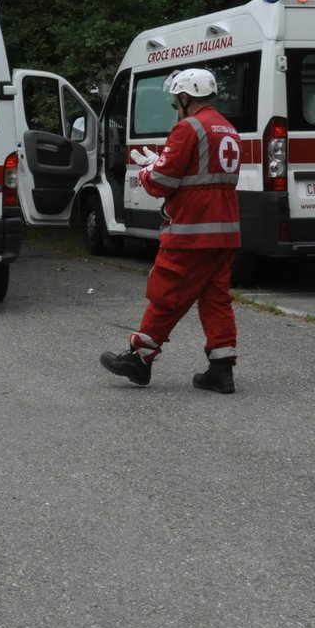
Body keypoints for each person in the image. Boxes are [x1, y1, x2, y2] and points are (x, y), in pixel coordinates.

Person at [100, 68, 243, 393]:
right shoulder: (229, 129)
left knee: (166, 292)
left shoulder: (188, 127)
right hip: (225, 231)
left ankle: (140, 358)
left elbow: (163, 183)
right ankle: (222, 369)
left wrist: (151, 169)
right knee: (215, 298)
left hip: (191, 231)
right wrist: (164, 162)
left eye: (175, 101)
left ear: (184, 97)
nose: (174, 108)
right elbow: (202, 177)